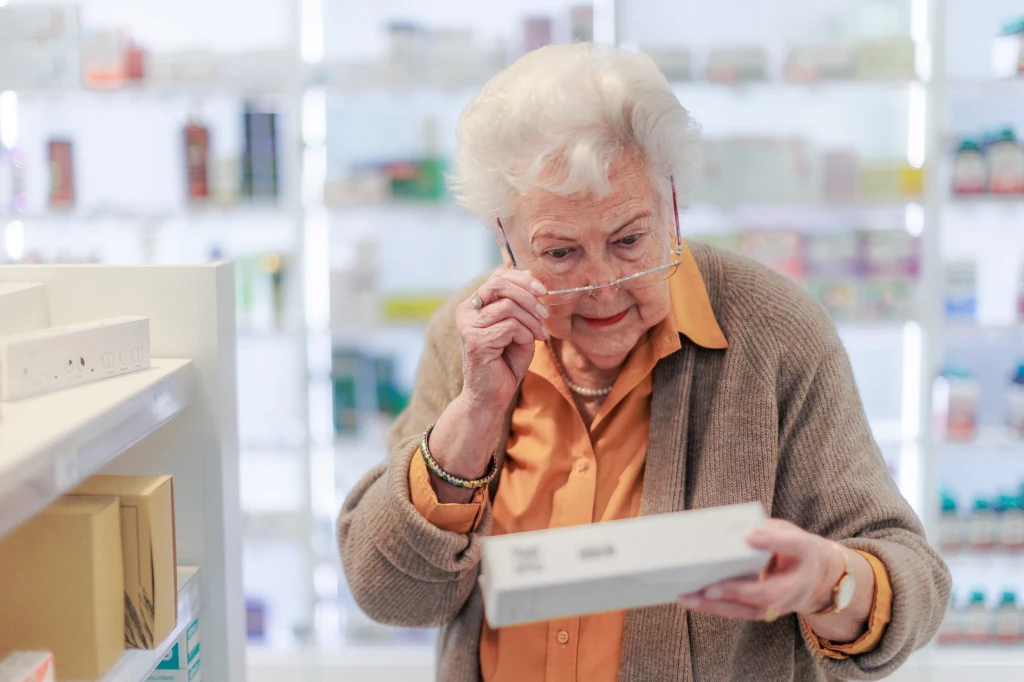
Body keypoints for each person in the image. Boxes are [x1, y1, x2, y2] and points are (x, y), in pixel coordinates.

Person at [338, 43, 950, 681]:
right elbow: (390, 592)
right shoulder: (471, 333)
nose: (604, 288)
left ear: (673, 208)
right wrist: (476, 412)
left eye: (630, 240)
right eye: (560, 253)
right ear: (506, 238)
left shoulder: (775, 335)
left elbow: (914, 580)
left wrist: (830, 581)